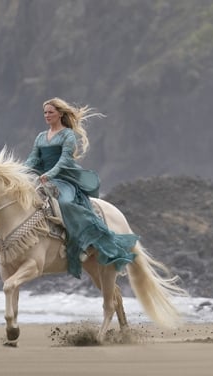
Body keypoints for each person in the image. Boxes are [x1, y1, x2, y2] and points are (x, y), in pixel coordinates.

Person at [24, 97, 139, 278]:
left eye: (50, 112)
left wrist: (50, 175)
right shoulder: (40, 137)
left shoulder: (68, 135)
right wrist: (21, 172)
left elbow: (64, 161)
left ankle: (85, 243)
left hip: (64, 178)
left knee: (67, 203)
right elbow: (33, 159)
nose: (47, 115)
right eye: (45, 112)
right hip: (42, 179)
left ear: (60, 114)